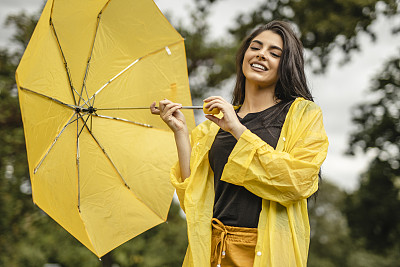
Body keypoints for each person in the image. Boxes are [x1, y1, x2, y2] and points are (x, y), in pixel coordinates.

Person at [151, 20, 328, 267]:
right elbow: (192, 197)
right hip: (213, 250)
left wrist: (237, 129)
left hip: (264, 251)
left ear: (286, 65)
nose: (261, 54)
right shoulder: (213, 125)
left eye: (274, 53)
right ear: (244, 54)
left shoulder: (303, 114)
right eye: (255, 47)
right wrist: (180, 132)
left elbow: (297, 181)